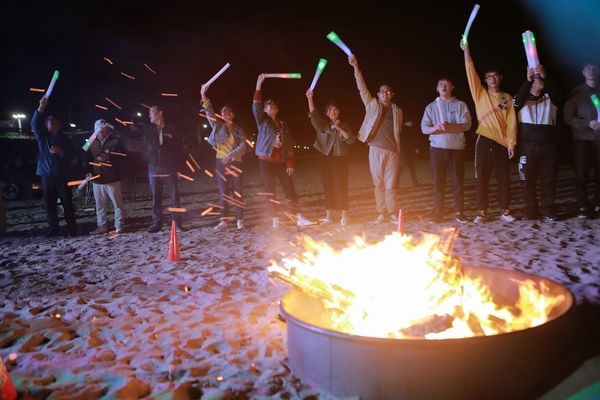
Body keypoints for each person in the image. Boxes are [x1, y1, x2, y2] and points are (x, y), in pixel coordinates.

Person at [460, 37, 518, 223]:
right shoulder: (480, 94)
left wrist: (511, 143)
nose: (492, 79)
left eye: (495, 76)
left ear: (500, 77)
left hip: (502, 142)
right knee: (482, 177)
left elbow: (512, 123)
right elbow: (470, 72)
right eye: (488, 76)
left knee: (503, 177)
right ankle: (482, 211)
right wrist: (466, 51)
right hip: (484, 139)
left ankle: (505, 210)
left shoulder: (508, 98)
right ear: (485, 80)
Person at [253, 73, 313, 228]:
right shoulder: (262, 121)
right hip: (266, 161)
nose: (272, 106)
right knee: (270, 191)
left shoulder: (283, 124)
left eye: (274, 105)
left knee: (289, 189)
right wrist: (259, 84)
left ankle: (298, 216)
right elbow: (256, 105)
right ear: (265, 109)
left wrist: (290, 162)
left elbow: (289, 145)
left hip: (281, 162)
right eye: (269, 105)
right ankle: (275, 218)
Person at [348, 54, 403, 224]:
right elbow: (362, 87)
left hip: (393, 151)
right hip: (376, 149)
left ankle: (392, 212)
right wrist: (356, 67)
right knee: (379, 183)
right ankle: (381, 212)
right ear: (378, 94)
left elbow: (398, 131)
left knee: (391, 185)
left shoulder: (398, 111)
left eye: (388, 91)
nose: (385, 93)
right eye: (382, 91)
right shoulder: (372, 105)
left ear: (392, 94)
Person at [421, 78, 472, 223]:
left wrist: (450, 127)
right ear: (437, 88)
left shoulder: (460, 105)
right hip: (437, 149)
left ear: (452, 87)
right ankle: (438, 213)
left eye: (446, 84)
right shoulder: (431, 107)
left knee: (457, 182)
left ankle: (459, 212)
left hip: (456, 149)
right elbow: (424, 128)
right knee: (438, 182)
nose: (443, 87)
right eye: (440, 85)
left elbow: (467, 125)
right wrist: (435, 128)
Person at [514, 65, 561, 222]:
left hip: (549, 146)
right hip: (528, 146)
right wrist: (527, 82)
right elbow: (515, 104)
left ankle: (548, 210)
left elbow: (560, 97)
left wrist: (546, 77)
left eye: (541, 79)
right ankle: (530, 210)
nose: (539, 81)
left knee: (548, 180)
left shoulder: (550, 98)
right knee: (528, 181)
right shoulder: (522, 99)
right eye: (536, 79)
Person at [201, 84, 247, 230]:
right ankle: (224, 221)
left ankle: (240, 219)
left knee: (238, 192)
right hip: (221, 164)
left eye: (229, 111)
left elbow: (243, 146)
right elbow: (209, 112)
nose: (226, 113)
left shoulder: (238, 129)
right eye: (224, 111)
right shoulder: (218, 126)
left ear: (233, 114)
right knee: (223, 193)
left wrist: (230, 155)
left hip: (236, 163)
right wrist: (204, 96)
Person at [306, 89, 355, 226]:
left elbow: (351, 140)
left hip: (341, 159)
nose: (332, 112)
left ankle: (344, 216)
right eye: (329, 110)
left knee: (342, 187)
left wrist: (339, 128)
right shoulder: (323, 126)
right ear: (326, 113)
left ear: (339, 111)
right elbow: (313, 115)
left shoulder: (345, 125)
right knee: (328, 187)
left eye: (335, 109)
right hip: (326, 159)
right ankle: (328, 216)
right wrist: (310, 98)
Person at [31, 96, 77, 236]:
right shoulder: (42, 138)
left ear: (58, 125)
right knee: (50, 203)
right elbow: (34, 124)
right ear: (46, 125)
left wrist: (61, 152)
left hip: (62, 175)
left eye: (54, 121)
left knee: (67, 203)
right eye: (49, 121)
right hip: (46, 174)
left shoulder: (65, 139)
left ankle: (71, 228)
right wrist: (41, 108)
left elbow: (73, 156)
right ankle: (53, 229)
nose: (51, 122)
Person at [563, 63, 600, 219]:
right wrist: (587, 124)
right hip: (582, 139)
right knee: (581, 175)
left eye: (594, 68)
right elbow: (567, 117)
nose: (591, 71)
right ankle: (583, 206)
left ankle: (598, 204)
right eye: (588, 68)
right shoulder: (575, 93)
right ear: (583, 72)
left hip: (599, 140)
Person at [144, 105, 184, 233]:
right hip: (154, 167)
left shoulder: (172, 128)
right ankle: (157, 223)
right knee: (156, 198)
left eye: (151, 113)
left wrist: (178, 167)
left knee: (174, 197)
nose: (149, 115)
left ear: (160, 113)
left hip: (170, 167)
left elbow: (179, 148)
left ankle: (177, 223)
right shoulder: (149, 128)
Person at [85, 119, 127, 234]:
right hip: (97, 178)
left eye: (102, 130)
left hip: (113, 177)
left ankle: (119, 225)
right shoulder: (91, 141)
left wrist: (110, 158)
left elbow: (124, 155)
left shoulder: (116, 140)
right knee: (100, 205)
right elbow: (85, 154)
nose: (100, 133)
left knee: (117, 204)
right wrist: (87, 171)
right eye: (98, 131)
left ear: (107, 129)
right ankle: (102, 226)